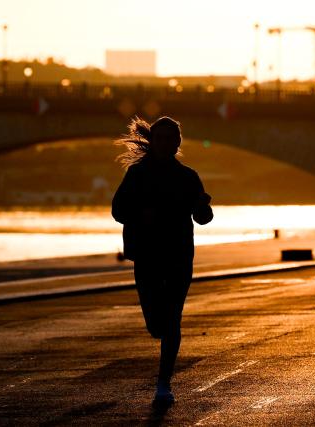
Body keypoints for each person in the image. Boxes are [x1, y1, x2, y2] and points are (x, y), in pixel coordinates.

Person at [112, 116, 213, 406]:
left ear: (178, 143)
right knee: (156, 324)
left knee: (172, 319)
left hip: (180, 255)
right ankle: (160, 340)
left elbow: (202, 219)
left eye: (171, 139)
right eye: (161, 138)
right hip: (147, 255)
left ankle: (164, 384)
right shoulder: (136, 174)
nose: (166, 143)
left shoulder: (188, 177)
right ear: (153, 141)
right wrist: (140, 215)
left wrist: (203, 208)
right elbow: (117, 210)